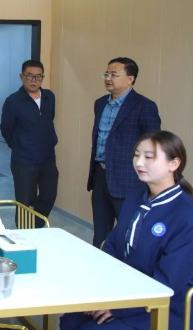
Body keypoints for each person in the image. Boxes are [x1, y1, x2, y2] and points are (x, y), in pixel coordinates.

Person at [61, 131, 193, 330]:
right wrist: (100, 291)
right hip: (125, 291)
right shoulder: (136, 196)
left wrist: (119, 307)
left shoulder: (185, 214)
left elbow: (169, 282)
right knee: (70, 320)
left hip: (162, 306)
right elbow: (113, 244)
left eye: (149, 157)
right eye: (136, 155)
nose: (139, 163)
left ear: (173, 164)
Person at [88, 57, 161, 247]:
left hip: (129, 180)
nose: (108, 78)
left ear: (130, 79)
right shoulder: (100, 103)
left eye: (114, 74)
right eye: (106, 74)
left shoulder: (144, 106)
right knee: (100, 233)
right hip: (101, 175)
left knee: (129, 234)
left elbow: (152, 145)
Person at [0, 60, 58, 228]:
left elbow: (49, 119)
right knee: (24, 202)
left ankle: (36, 228)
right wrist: (20, 145)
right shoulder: (13, 101)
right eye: (29, 76)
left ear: (42, 78)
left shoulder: (49, 97)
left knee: (49, 195)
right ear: (21, 77)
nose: (34, 80)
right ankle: (23, 234)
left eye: (38, 76)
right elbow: (6, 128)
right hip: (24, 160)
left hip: (47, 158)